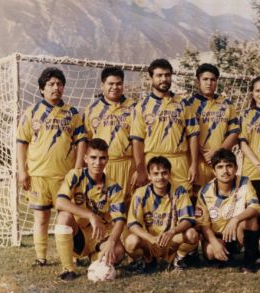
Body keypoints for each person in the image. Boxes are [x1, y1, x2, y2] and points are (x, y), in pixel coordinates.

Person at [16, 67, 86, 266]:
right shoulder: (31, 113)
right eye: (51, 84)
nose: (56, 88)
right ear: (41, 89)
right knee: (41, 218)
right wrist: (22, 171)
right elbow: (21, 142)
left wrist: (79, 168)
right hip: (38, 175)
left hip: (65, 177)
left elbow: (81, 141)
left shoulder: (72, 113)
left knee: (68, 217)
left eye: (59, 84)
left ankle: (74, 253)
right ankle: (41, 257)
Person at [54, 138, 126, 280]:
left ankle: (95, 258)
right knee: (63, 217)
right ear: (85, 158)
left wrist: (111, 241)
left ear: (107, 159)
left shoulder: (114, 187)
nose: (97, 163)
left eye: (102, 158)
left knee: (118, 252)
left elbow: (120, 221)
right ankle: (68, 269)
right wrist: (91, 215)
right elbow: (60, 202)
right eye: (93, 158)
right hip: (78, 236)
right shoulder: (75, 175)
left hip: (100, 237)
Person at [130, 58, 199, 193]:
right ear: (151, 78)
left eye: (167, 75)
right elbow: (137, 140)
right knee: (154, 206)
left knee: (182, 202)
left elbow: (193, 135)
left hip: (179, 161)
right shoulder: (142, 106)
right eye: (159, 75)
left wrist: (194, 165)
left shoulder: (183, 103)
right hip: (153, 162)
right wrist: (140, 170)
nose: (164, 79)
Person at [125, 156, 199, 272]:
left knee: (192, 234)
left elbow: (188, 220)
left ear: (170, 174)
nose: (160, 177)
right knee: (130, 241)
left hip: (171, 240)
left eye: (164, 173)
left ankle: (177, 260)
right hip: (149, 241)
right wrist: (150, 238)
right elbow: (133, 224)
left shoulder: (179, 191)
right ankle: (146, 261)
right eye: (156, 174)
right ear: (149, 176)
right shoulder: (140, 194)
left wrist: (172, 231)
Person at [195, 148, 260, 273]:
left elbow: (255, 208)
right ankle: (224, 256)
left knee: (251, 217)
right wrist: (214, 243)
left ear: (236, 168)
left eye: (229, 166)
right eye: (220, 167)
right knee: (210, 252)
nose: (225, 171)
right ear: (214, 171)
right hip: (218, 236)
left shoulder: (245, 182)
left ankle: (249, 263)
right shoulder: (205, 191)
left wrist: (235, 220)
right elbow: (203, 224)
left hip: (237, 232)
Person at [83, 67, 136, 208]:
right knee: (101, 206)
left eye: (118, 84)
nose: (115, 87)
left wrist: (139, 168)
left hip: (128, 164)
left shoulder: (134, 108)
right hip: (101, 165)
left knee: (126, 208)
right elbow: (86, 142)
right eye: (110, 84)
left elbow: (140, 140)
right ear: (102, 85)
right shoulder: (91, 109)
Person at [188, 63, 239, 192]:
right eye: (205, 79)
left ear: (217, 82)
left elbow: (234, 132)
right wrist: (203, 152)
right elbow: (185, 133)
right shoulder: (188, 104)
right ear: (198, 82)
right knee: (197, 198)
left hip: (221, 163)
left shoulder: (227, 104)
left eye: (213, 80)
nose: (209, 83)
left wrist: (217, 151)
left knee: (220, 198)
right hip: (197, 161)